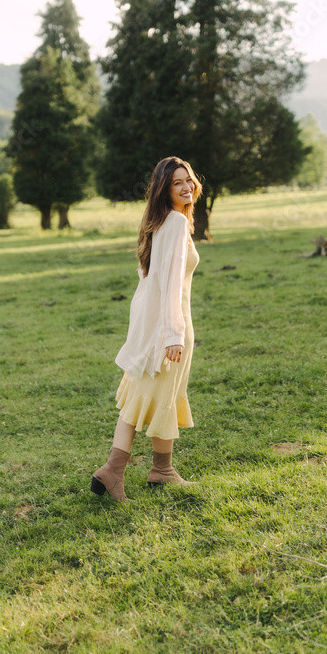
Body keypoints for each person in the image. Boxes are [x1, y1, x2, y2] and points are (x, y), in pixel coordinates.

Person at [91, 156, 202, 503]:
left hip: (152, 325)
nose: (186, 187)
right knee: (151, 397)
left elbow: (149, 281)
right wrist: (173, 334)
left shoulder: (158, 222)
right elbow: (170, 284)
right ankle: (114, 471)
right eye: (177, 183)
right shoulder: (176, 223)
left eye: (188, 180)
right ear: (164, 189)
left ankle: (161, 470)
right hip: (169, 327)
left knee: (154, 396)